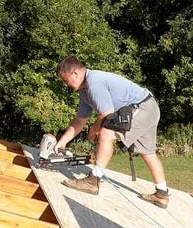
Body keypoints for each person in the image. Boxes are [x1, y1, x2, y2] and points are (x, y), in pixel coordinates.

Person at [54, 56, 169, 209]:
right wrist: (61, 143)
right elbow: (79, 121)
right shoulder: (84, 92)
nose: (64, 84)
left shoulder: (94, 83)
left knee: (106, 133)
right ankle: (162, 194)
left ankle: (92, 181)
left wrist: (94, 129)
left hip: (142, 107)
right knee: (147, 152)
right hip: (148, 107)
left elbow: (106, 113)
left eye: (65, 79)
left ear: (75, 73)